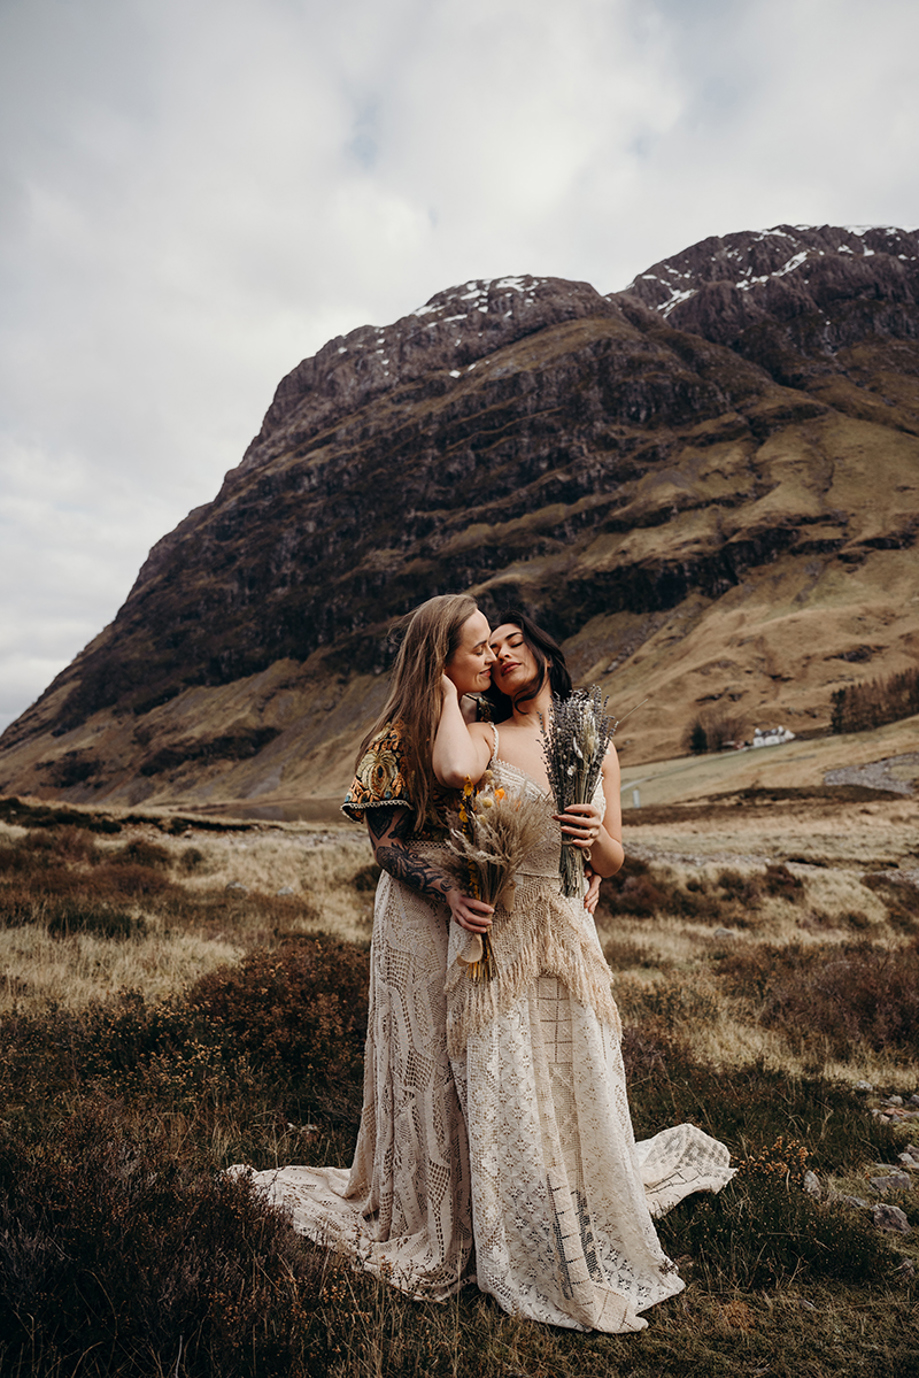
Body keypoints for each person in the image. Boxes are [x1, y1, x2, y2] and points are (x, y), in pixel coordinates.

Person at [431, 609, 735, 1333]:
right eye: (487, 649)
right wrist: (446, 687)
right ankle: (517, 1235)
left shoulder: (593, 743)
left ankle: (587, 1210)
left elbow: (614, 861)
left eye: (512, 641)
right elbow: (451, 771)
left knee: (580, 1077)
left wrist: (592, 833)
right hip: (501, 935)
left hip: (568, 930)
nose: (500, 654)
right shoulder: (484, 734)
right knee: (508, 1081)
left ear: (541, 649)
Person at [232, 593, 496, 1299]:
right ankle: (426, 1208)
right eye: (474, 648)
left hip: (476, 905)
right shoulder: (393, 740)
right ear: (439, 660)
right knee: (424, 1058)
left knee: (481, 1054)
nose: (490, 658)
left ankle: (489, 1206)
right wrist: (445, 890)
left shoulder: (481, 725)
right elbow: (385, 846)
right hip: (420, 911)